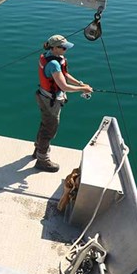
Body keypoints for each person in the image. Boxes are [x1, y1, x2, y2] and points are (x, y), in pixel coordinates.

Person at [34, 34, 93, 172]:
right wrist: (83, 89)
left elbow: (64, 75)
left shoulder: (51, 57)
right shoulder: (54, 63)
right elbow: (64, 86)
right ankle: (42, 160)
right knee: (49, 130)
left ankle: (38, 148)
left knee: (45, 125)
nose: (66, 49)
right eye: (63, 47)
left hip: (44, 96)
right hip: (50, 101)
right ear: (54, 48)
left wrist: (79, 83)